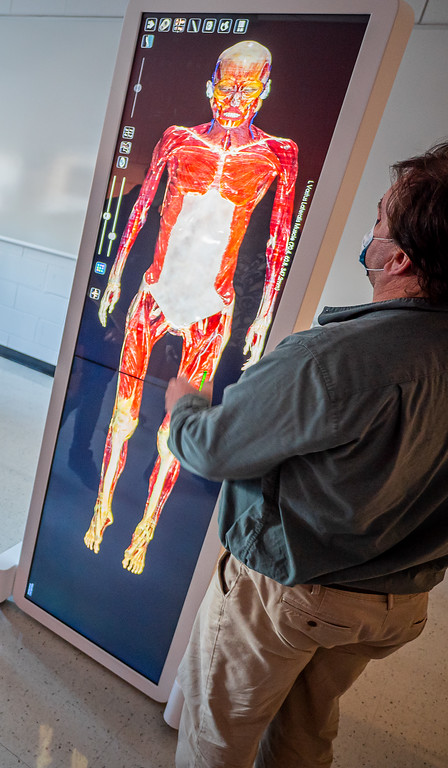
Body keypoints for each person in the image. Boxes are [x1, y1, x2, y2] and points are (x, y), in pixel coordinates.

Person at [164, 141, 448, 767]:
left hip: (298, 590)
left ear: (399, 257)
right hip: (397, 600)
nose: (370, 230)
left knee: (218, 736)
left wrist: (183, 406)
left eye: (379, 217)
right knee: (305, 730)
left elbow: (210, 448)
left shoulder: (328, 359)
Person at [83, 40, 298, 575]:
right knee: (123, 414)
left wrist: (263, 316)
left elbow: (278, 240)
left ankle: (146, 528)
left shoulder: (277, 154)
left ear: (264, 91)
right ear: (210, 86)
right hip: (155, 291)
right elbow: (142, 208)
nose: (235, 99)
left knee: (176, 426)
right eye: (227, 87)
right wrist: (114, 277)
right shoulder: (178, 140)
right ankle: (102, 510)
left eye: (247, 88)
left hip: (211, 305)